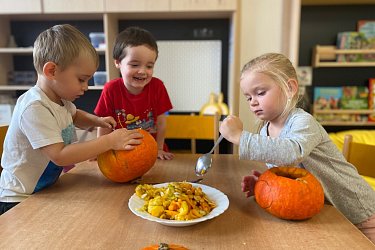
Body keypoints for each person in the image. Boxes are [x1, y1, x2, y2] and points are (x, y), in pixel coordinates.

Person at [219, 53, 375, 243]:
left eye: (260, 93)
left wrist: (239, 137)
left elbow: (291, 153)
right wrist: (265, 186)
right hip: (326, 215)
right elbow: (287, 172)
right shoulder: (264, 132)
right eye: (248, 97)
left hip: (359, 211)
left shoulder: (302, 121)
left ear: (290, 88)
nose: (253, 102)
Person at [0, 24, 143, 215]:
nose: (85, 87)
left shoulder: (61, 101)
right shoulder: (34, 107)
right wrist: (109, 141)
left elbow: (75, 116)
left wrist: (97, 120)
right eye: (81, 79)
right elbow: (60, 156)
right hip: (17, 199)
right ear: (51, 71)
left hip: (43, 192)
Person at [94, 26, 174, 161]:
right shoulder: (110, 90)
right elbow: (104, 125)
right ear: (118, 62)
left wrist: (159, 148)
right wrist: (99, 151)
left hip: (152, 151)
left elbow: (161, 123)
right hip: (121, 152)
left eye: (149, 66)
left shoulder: (158, 86)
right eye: (135, 65)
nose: (142, 71)